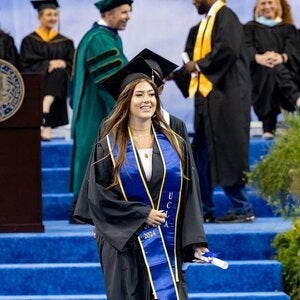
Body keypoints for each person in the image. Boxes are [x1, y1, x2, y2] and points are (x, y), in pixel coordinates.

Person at [73, 56, 208, 300]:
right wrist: (140, 214)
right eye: (139, 95)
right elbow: (96, 193)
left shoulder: (175, 144)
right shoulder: (108, 144)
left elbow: (190, 193)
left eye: (151, 94)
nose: (147, 100)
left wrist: (195, 241)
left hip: (165, 239)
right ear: (126, 101)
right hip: (123, 241)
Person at [171, 0, 254, 223]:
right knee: (202, 156)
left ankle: (242, 208)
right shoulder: (202, 26)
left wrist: (196, 65)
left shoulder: (225, 16)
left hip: (227, 99)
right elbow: (191, 63)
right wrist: (174, 74)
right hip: (207, 101)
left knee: (229, 150)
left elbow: (226, 50)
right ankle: (205, 210)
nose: (194, 2)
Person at [69, 0, 133, 223]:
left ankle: (86, 207)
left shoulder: (100, 36)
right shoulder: (100, 39)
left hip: (94, 108)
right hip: (96, 110)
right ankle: (82, 209)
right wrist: (129, 103)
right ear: (108, 12)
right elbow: (110, 78)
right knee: (92, 153)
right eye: (124, 12)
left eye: (129, 12)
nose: (128, 16)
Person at [244, 0, 300, 139]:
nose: (267, 6)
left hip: (288, 74)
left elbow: (295, 52)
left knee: (275, 68)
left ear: (278, 5)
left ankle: (268, 127)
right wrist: (257, 58)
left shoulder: (288, 29)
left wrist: (283, 57)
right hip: (258, 77)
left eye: (271, 2)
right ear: (257, 7)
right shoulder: (249, 28)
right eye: (263, 3)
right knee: (270, 69)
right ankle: (297, 99)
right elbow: (244, 49)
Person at [19, 0, 74, 141]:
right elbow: (25, 64)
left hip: (58, 85)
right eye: (49, 14)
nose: (53, 18)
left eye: (55, 15)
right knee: (56, 74)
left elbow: (71, 64)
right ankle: (46, 119)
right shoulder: (29, 41)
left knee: (60, 71)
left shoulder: (65, 42)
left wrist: (62, 62)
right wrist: (49, 63)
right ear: (39, 16)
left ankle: (45, 112)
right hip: (38, 83)